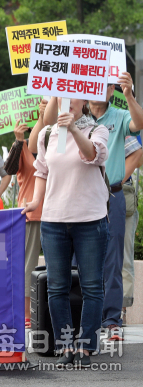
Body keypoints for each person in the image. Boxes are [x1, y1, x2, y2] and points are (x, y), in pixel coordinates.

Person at [43, 74, 143, 341]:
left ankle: (109, 321)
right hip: (66, 210)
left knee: (110, 262)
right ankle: (71, 334)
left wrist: (130, 94)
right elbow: (44, 131)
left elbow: (138, 134)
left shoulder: (114, 119)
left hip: (108, 198)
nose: (102, 88)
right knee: (68, 274)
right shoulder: (59, 128)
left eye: (108, 84)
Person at [23, 97, 110, 367]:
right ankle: (65, 347)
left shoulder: (97, 130)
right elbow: (42, 171)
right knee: (57, 286)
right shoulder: (48, 134)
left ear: (85, 101)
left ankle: (86, 346)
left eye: (73, 97)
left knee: (92, 286)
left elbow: (93, 156)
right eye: (62, 97)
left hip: (90, 219)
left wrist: (73, 129)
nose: (67, 103)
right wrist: (37, 201)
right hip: (54, 219)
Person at [4, 98, 48, 326]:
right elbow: (9, 169)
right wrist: (18, 141)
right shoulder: (24, 147)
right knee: (28, 264)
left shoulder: (59, 144)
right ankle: (26, 313)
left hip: (57, 214)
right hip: (31, 214)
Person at [122, 135, 143, 318]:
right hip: (92, 197)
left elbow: (139, 155)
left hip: (121, 196)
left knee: (124, 256)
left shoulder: (119, 121)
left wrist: (115, 181)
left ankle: (120, 310)